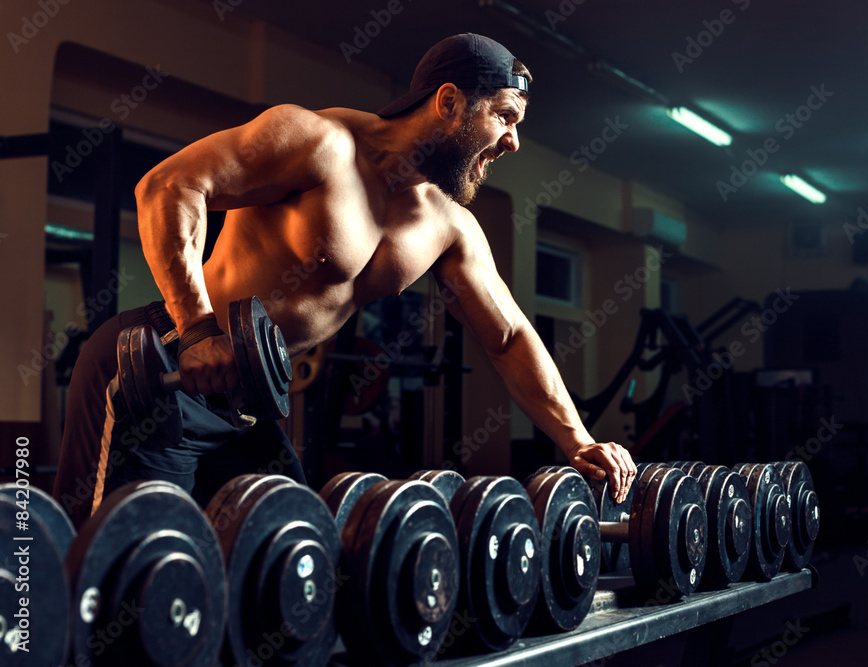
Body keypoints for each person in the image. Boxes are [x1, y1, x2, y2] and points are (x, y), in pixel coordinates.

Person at [53, 33, 636, 527]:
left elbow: (507, 337)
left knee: (282, 571)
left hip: (247, 404)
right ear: (450, 102)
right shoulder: (317, 143)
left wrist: (578, 440)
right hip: (161, 369)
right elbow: (168, 187)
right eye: (505, 116)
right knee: (117, 575)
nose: (512, 140)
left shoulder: (447, 226)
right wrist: (199, 328)